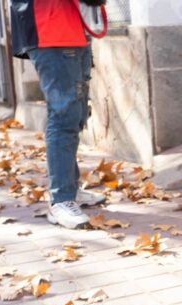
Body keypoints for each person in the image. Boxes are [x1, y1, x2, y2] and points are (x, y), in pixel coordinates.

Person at [10, 0, 108, 229]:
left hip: (73, 29)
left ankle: (70, 190)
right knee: (64, 116)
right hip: (51, 31)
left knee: (76, 114)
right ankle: (61, 200)